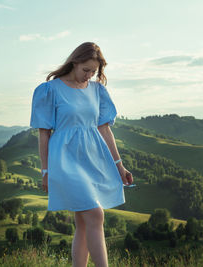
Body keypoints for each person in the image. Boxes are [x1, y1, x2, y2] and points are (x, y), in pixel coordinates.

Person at [30, 42, 133, 267]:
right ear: (74, 62)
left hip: (93, 158)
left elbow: (105, 129)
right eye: (86, 70)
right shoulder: (51, 90)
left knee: (84, 223)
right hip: (64, 160)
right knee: (96, 214)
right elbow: (44, 134)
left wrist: (119, 166)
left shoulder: (97, 90)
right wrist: (45, 170)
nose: (89, 75)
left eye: (93, 72)